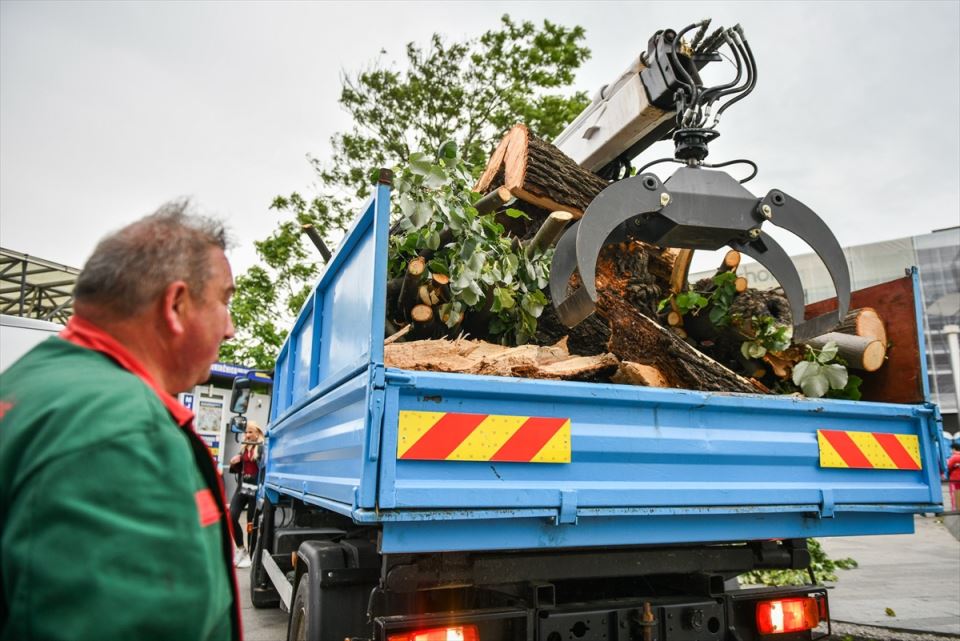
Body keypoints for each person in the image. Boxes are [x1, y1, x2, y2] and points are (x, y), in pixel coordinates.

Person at [0, 201, 242, 641]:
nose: (230, 330)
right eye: (224, 301)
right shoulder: (123, 433)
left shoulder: (28, 384)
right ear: (176, 304)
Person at [229, 421, 264, 569]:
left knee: (251, 523)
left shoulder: (261, 448)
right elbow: (238, 465)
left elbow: (264, 468)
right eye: (246, 432)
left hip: (255, 490)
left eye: (250, 432)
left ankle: (251, 555)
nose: (247, 435)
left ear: (257, 433)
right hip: (242, 488)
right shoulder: (244, 448)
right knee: (231, 516)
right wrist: (234, 461)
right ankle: (241, 549)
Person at [947, 437, 960, 511]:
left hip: (954, 479)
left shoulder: (954, 457)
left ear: (954, 449)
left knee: (954, 494)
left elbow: (948, 466)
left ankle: (955, 509)